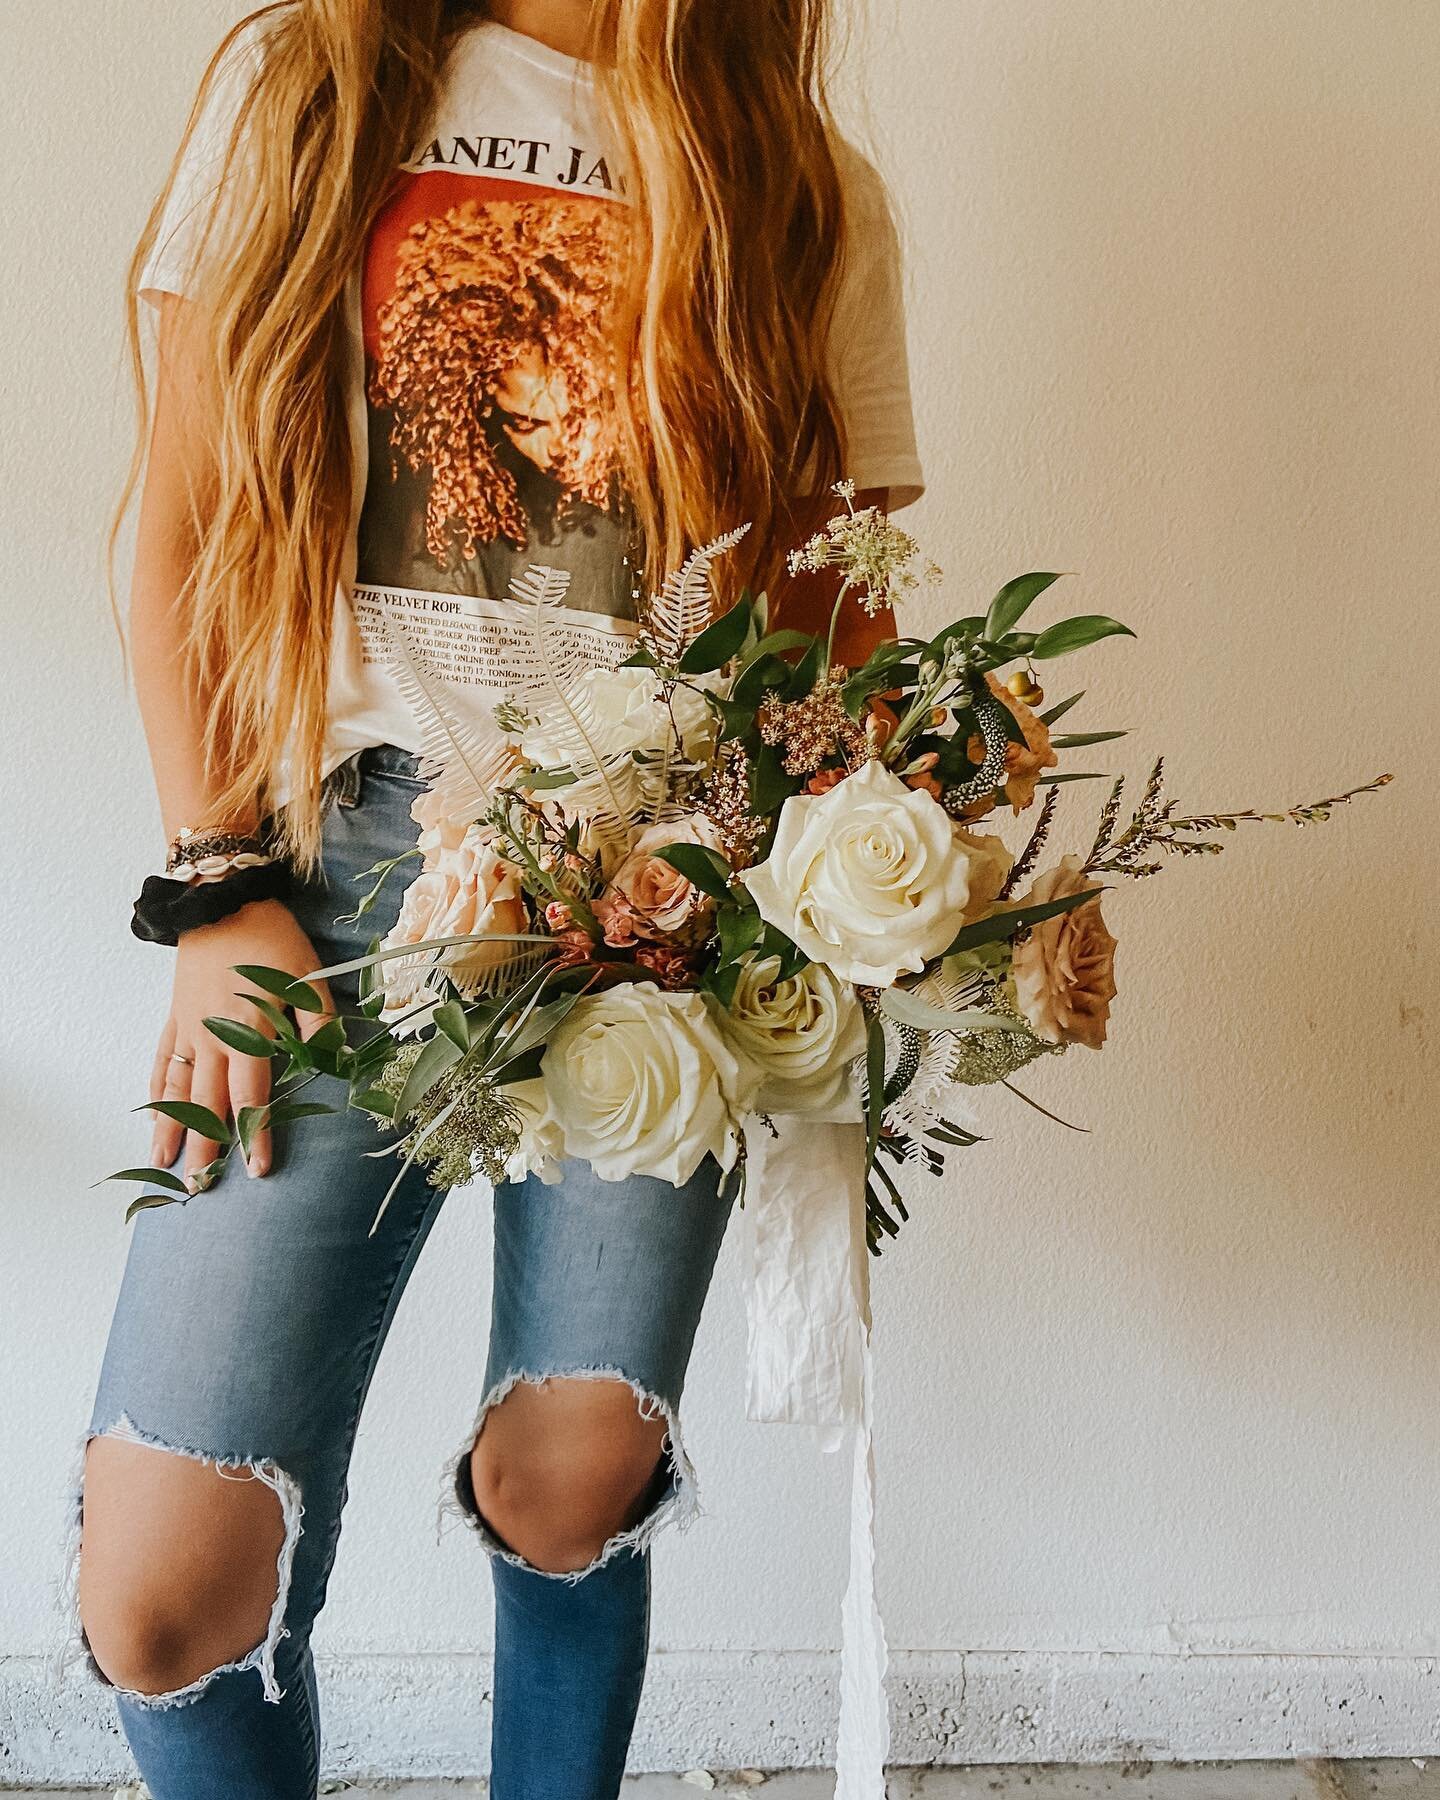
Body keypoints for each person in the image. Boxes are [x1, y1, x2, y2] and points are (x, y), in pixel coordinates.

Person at [71, 1, 923, 1794]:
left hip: (659, 904)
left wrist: (924, 869)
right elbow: (177, 516)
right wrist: (216, 889)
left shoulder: (802, 182)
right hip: (328, 868)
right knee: (160, 1599)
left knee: (572, 1485)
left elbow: (834, 612)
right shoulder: (306, 86)